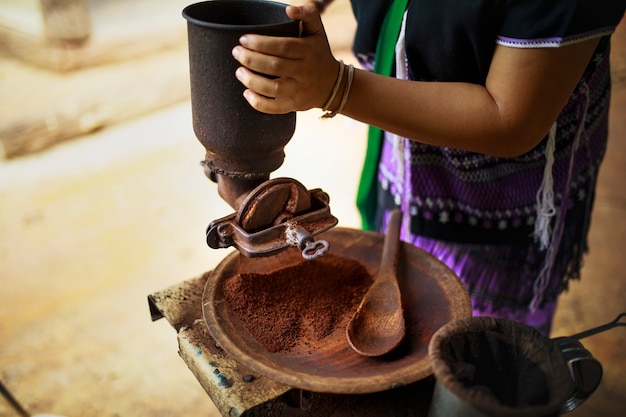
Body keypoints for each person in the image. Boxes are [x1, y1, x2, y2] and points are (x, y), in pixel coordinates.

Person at [231, 0, 626, 336]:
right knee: (403, 302)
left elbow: (511, 121)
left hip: (501, 209)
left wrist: (337, 88)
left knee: (480, 356)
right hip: (404, 157)